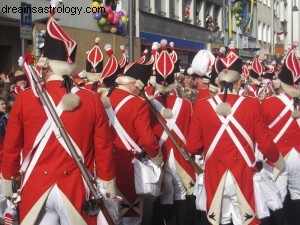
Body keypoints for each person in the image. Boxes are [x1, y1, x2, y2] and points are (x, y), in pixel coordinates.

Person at [1, 12, 116, 225]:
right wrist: (107, 185)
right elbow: (104, 150)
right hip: (75, 188)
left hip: (35, 187)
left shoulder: (26, 98)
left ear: (46, 65)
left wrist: (8, 181)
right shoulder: (92, 100)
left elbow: (11, 148)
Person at [186, 45, 285, 225]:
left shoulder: (202, 105)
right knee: (245, 221)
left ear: (218, 81)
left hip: (214, 175)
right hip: (243, 174)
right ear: (239, 81)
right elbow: (265, 143)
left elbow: (192, 146)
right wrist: (278, 161)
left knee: (219, 221)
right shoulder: (252, 104)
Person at [102, 59, 162, 225]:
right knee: (130, 218)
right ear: (135, 83)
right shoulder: (138, 104)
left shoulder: (102, 97)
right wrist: (157, 159)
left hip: (103, 166)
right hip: (127, 168)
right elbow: (148, 141)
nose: (140, 92)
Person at [150, 39, 197, 225]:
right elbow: (191, 132)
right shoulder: (185, 104)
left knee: (164, 196)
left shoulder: (149, 104)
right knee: (181, 194)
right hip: (180, 156)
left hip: (160, 156)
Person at [261, 45, 300, 225]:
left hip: (278, 156)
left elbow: (260, 130)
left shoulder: (268, 103)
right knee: (298, 195)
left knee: (276, 197)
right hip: (298, 155)